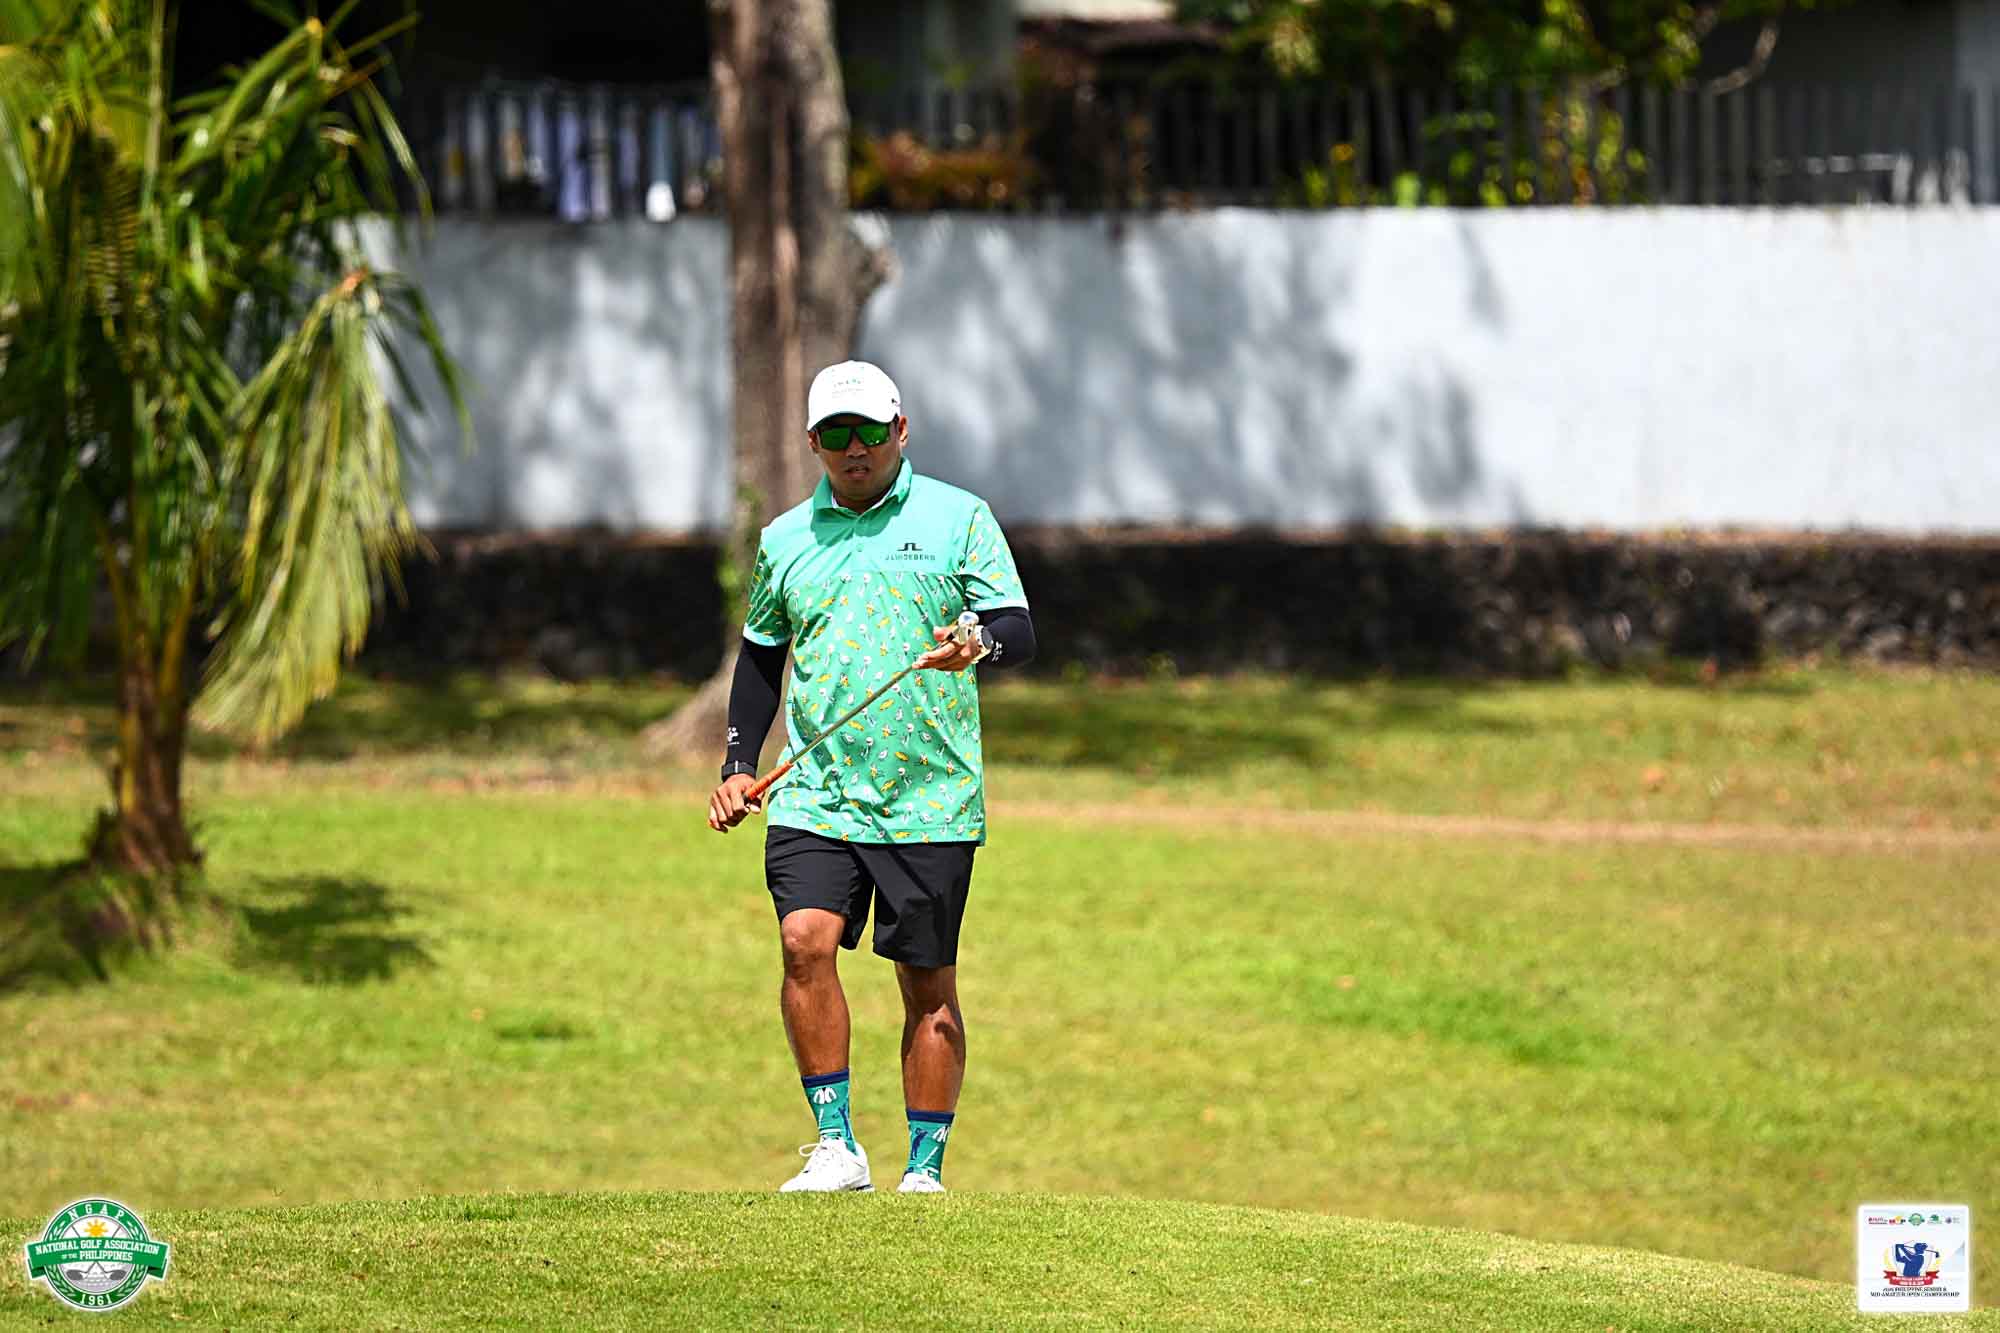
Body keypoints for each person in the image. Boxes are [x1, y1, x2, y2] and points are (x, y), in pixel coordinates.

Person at [707, 360, 1036, 1195]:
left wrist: (978, 642)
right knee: (803, 941)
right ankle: (836, 1146)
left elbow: (1017, 625)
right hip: (817, 793)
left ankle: (923, 1170)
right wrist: (740, 763)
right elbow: (760, 656)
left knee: (926, 984)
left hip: (930, 798)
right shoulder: (785, 539)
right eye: (836, 434)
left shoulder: (960, 517)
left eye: (869, 431)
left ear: (900, 429)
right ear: (813, 442)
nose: (855, 449)